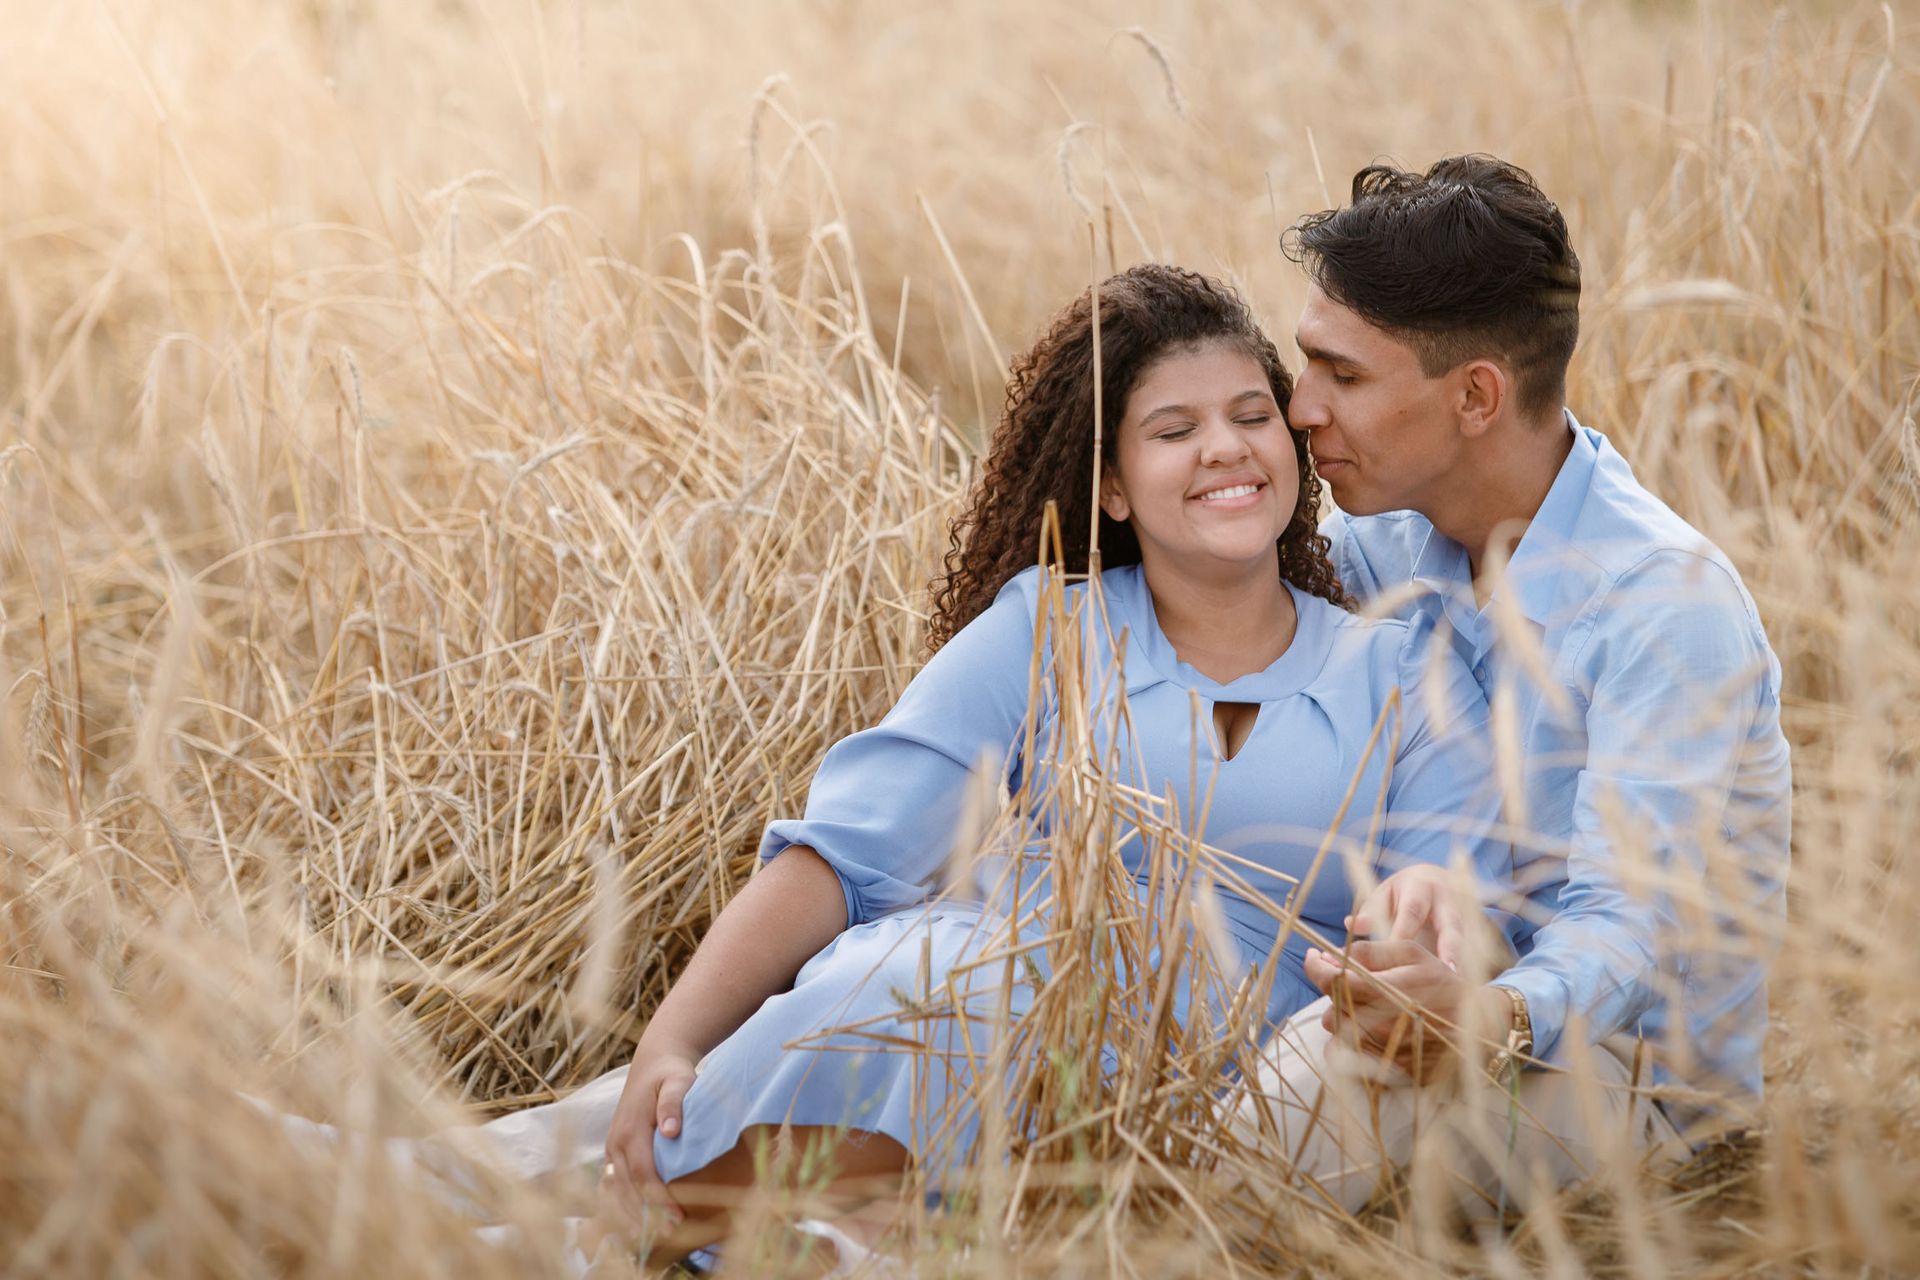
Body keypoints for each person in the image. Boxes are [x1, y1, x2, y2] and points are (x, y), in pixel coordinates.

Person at [455, 263, 1507, 1268]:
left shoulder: (1401, 663)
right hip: (967, 1003)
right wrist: (672, 1040)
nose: (1225, 449)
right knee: (929, 990)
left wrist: (1427, 952)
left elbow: (1438, 887)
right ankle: (608, 1227)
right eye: (1173, 429)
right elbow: (842, 857)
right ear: (1113, 486)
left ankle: (622, 1234)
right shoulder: (1050, 628)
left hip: (1190, 1092)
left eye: (1250, 415)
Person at [1235, 155, 1792, 1220]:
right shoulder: (1377, 541)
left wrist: (1485, 1018)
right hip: (1402, 974)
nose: (1297, 405)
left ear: (1477, 395)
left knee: (1323, 1080)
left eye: (1342, 375)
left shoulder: (1666, 607)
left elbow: (1625, 923)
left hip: (1628, 1083)